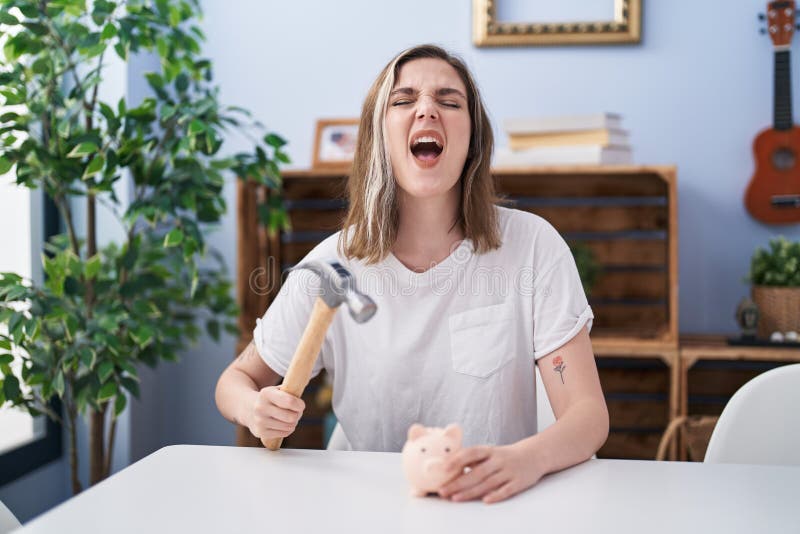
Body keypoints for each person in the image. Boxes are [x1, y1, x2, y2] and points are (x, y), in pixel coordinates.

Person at [215, 44, 609, 504]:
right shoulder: (333, 267)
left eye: (449, 101)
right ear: (378, 136)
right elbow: (234, 383)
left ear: (473, 139)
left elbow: (587, 415)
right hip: (370, 508)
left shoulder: (534, 247)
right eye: (403, 101)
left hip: (496, 505)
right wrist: (255, 408)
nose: (426, 110)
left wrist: (527, 459)